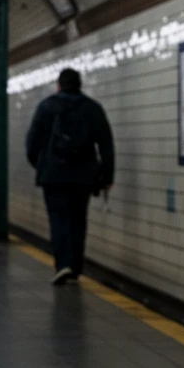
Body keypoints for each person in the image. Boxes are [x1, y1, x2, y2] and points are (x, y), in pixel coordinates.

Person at [25, 67, 114, 285]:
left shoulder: (46, 107)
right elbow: (106, 144)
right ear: (79, 85)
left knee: (58, 219)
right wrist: (107, 176)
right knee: (78, 220)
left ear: (59, 85)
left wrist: (41, 165)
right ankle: (75, 268)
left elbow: (32, 143)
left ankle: (63, 264)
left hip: (53, 175)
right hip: (83, 175)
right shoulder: (92, 108)